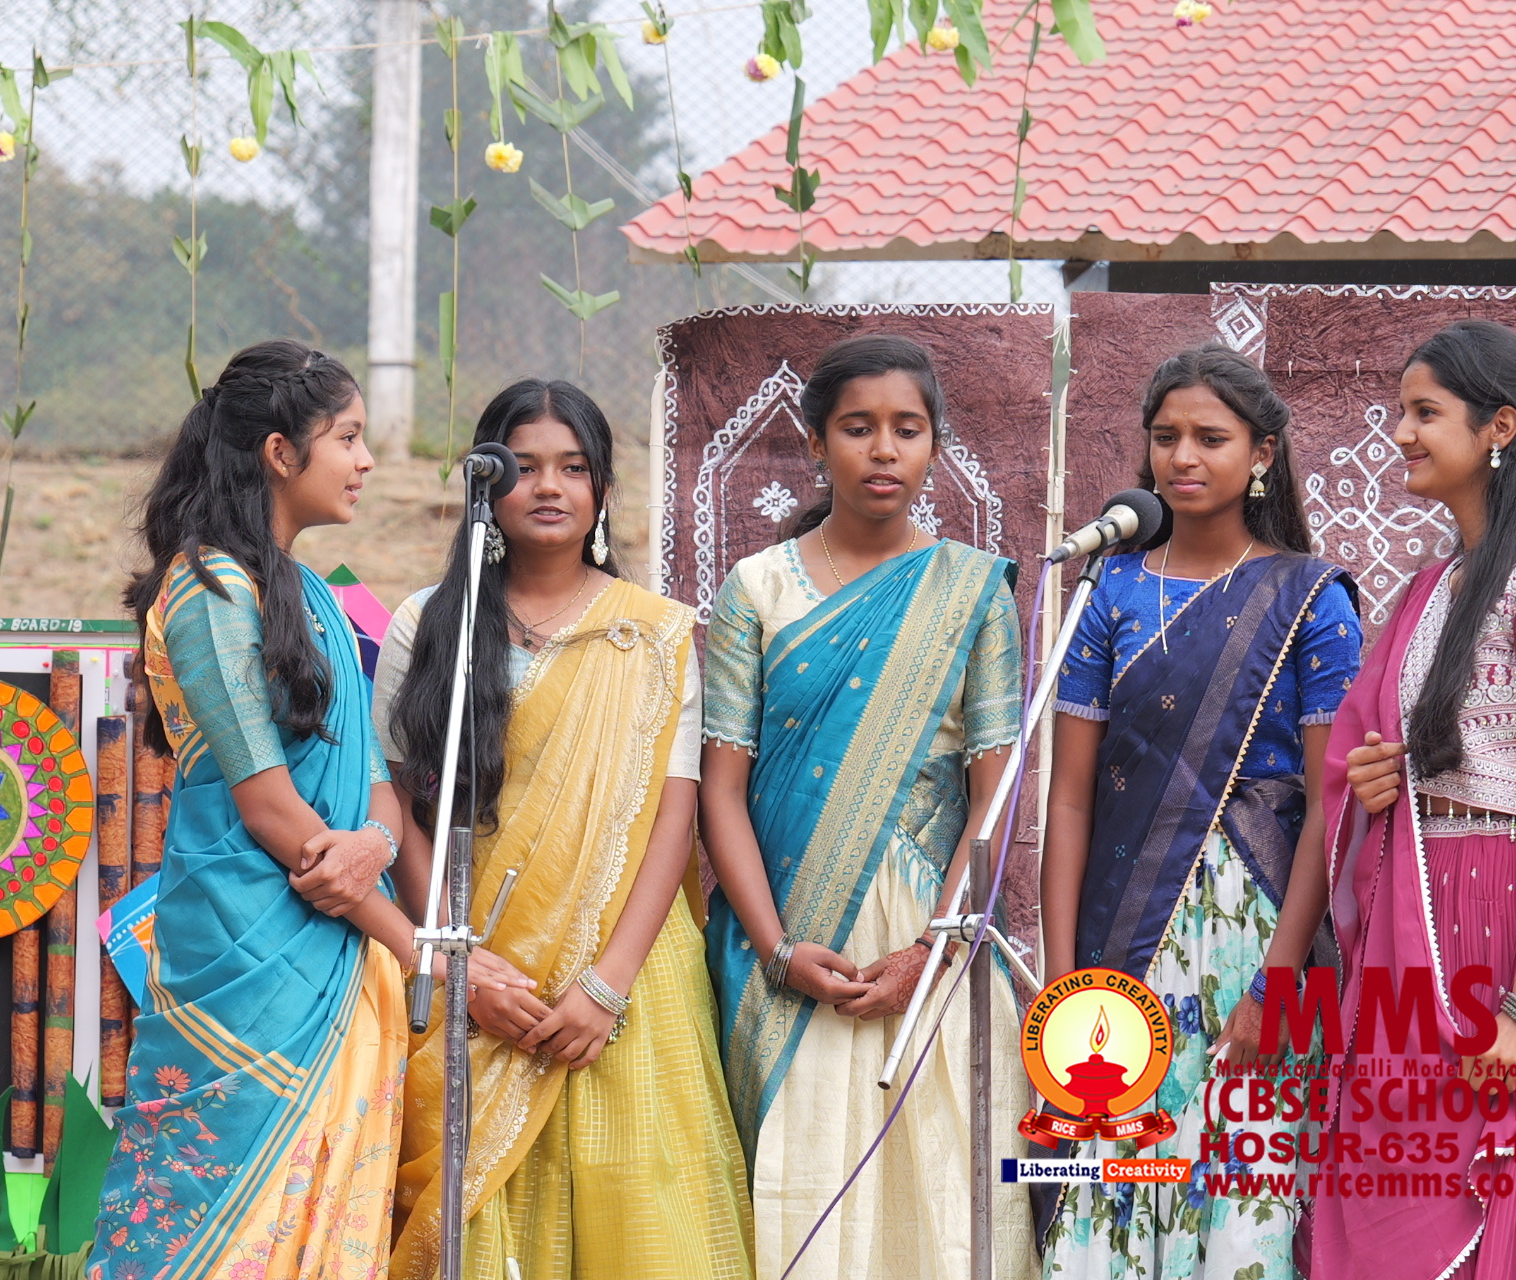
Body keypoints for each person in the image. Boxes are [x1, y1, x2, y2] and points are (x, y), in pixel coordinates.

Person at [381, 379, 753, 1280]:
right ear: (484, 485)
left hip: (628, 972)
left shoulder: (655, 634)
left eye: (574, 468)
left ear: (603, 491)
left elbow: (674, 816)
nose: (549, 486)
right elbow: (396, 805)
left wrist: (607, 986)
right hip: (475, 955)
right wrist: (457, 960)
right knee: (479, 1211)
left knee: (637, 1201)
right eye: (523, 466)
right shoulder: (426, 625)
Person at [699, 333, 1035, 1279]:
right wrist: (776, 949)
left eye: (906, 429)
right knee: (797, 1192)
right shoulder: (757, 589)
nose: (883, 450)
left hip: (931, 941)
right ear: (815, 443)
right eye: (857, 428)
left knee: (939, 1205)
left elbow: (994, 798)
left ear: (935, 446)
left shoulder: (974, 591)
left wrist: (931, 951)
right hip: (785, 936)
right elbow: (721, 791)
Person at [1314, 320, 1516, 1280]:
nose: (1401, 434)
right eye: (1400, 412)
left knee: (1502, 1201)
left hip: (1510, 924)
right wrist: (1375, 780)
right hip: (1415, 913)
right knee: (1394, 1194)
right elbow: (1377, 756)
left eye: (1424, 413)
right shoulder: (1431, 588)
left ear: (1500, 427)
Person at [87, 340, 416, 1280]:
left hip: (335, 945)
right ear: (280, 452)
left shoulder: (310, 593)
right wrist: (411, 941)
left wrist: (378, 841)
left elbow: (373, 781)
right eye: (347, 438)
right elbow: (271, 809)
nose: (365, 460)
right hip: (244, 954)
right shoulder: (208, 590)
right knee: (205, 1220)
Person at [1039, 343, 1360, 1278]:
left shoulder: (1313, 600)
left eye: (1210, 438)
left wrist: (1277, 989)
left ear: (1262, 453)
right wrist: (1060, 995)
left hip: (1258, 943)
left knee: (1243, 1214)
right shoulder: (1108, 591)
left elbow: (1330, 812)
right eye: (1165, 436)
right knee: (1110, 1197)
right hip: (1122, 938)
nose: (1182, 456)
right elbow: (1070, 799)